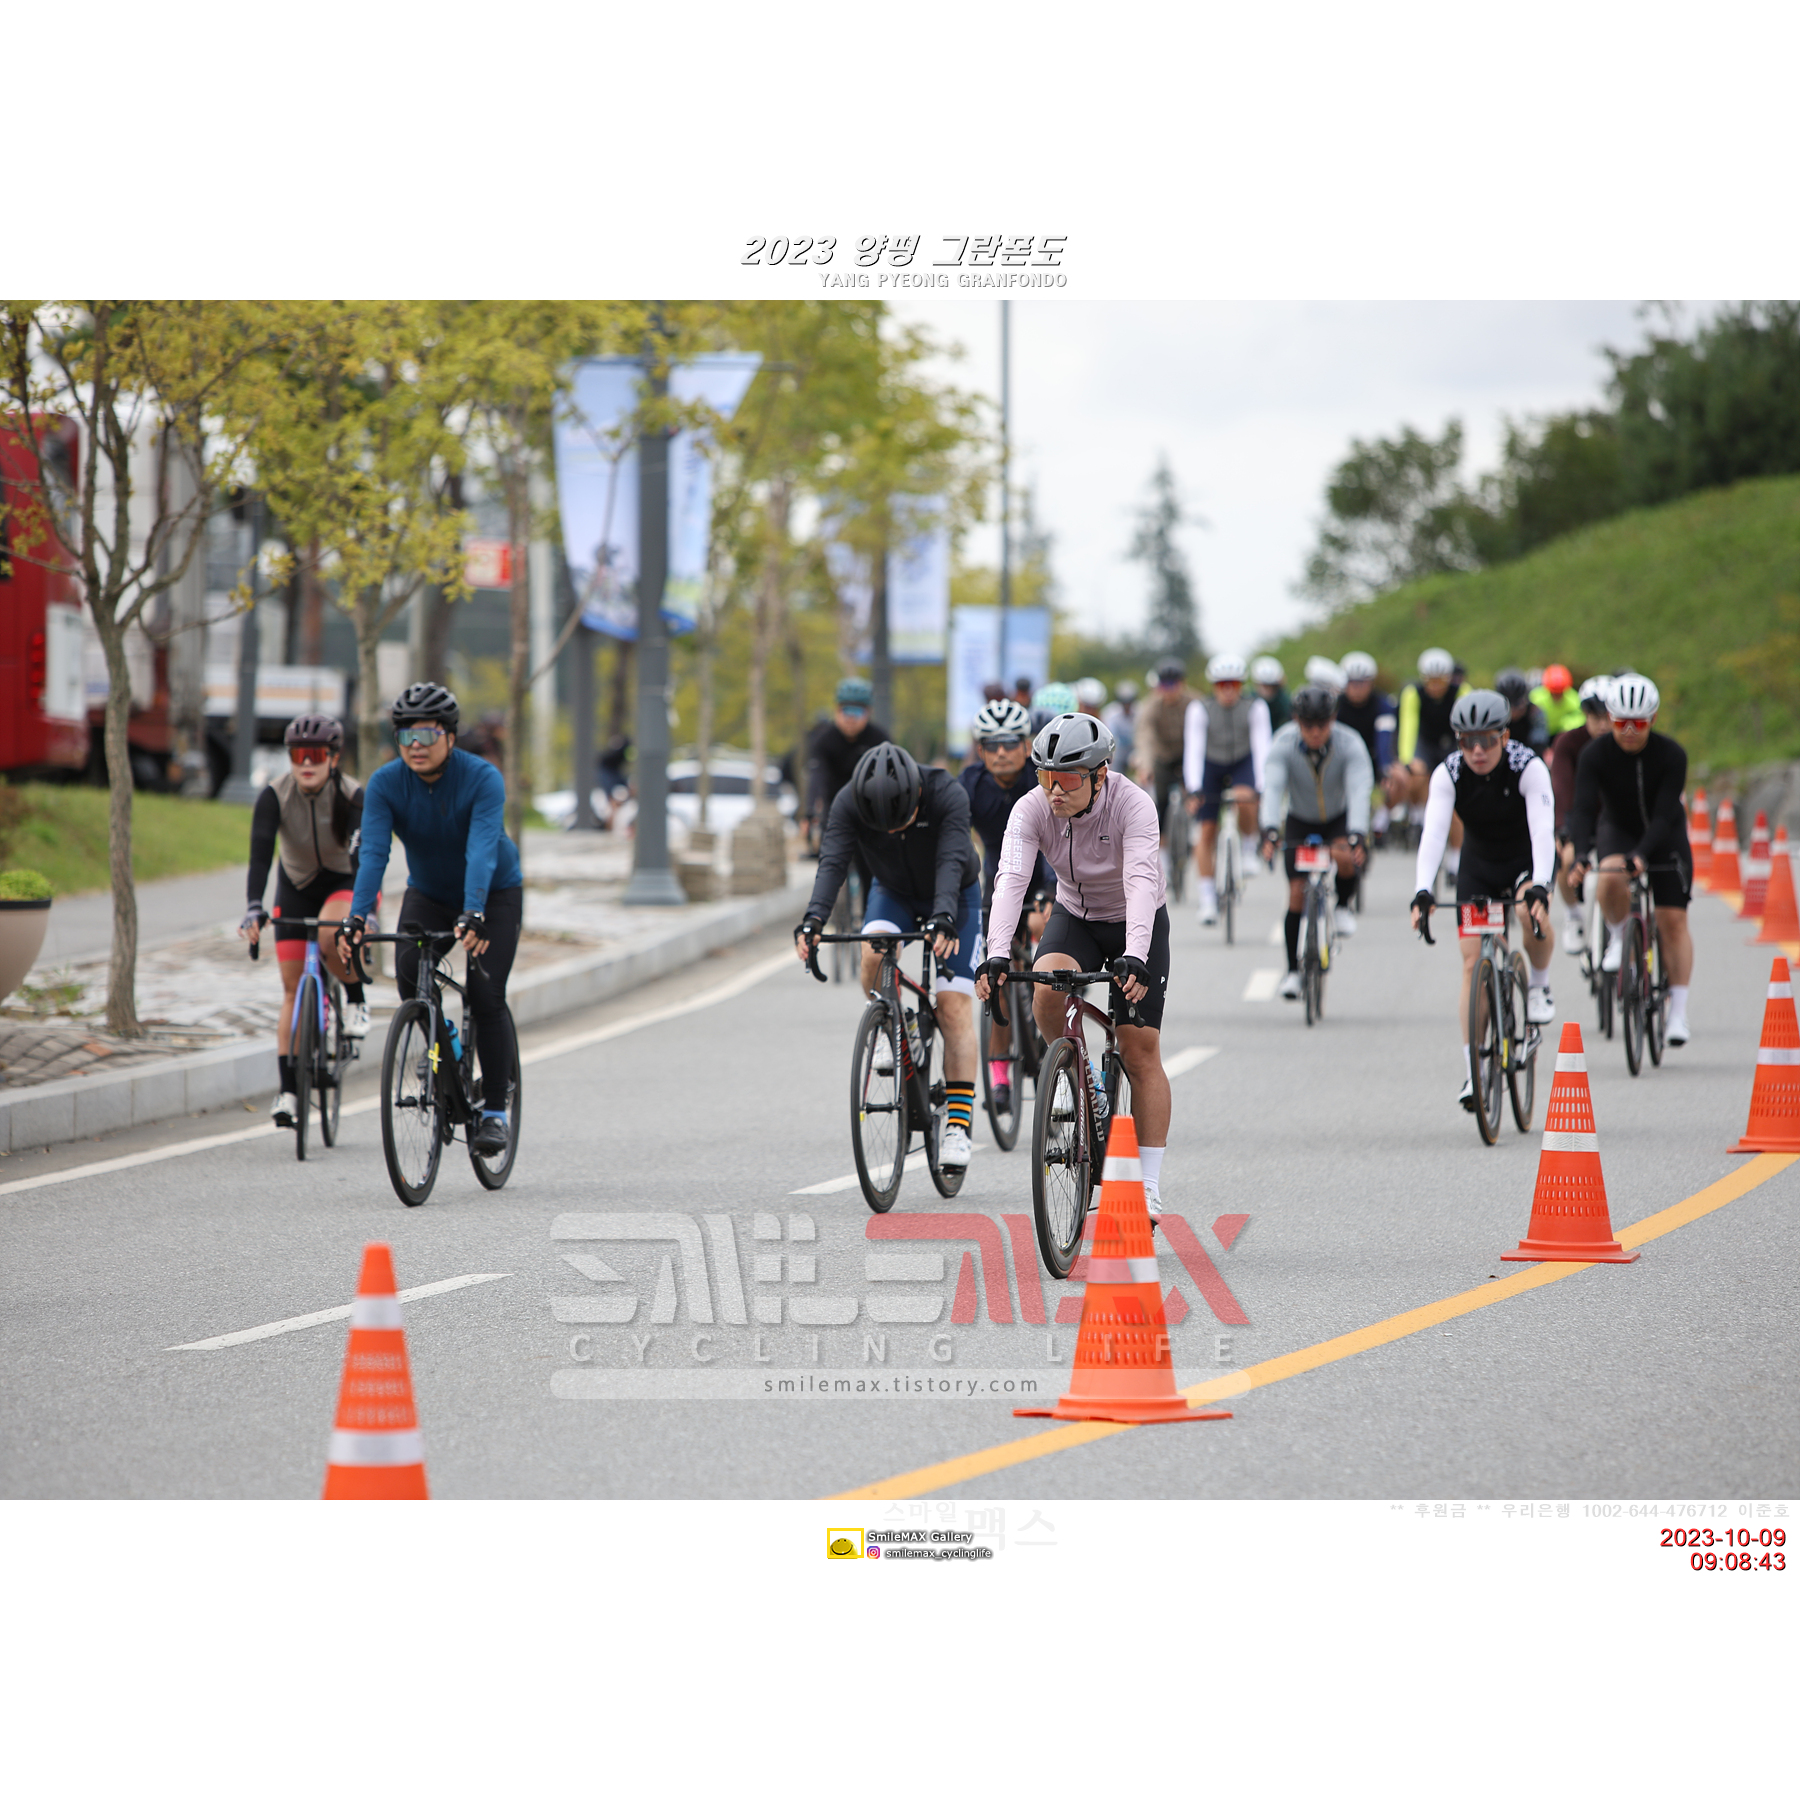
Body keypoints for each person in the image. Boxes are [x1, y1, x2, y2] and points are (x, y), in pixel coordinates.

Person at [976, 714, 1177, 1215]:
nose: (1054, 790)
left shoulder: (1133, 805)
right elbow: (1010, 880)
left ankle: (1147, 1184)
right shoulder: (1031, 808)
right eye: (1045, 776)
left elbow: (1141, 882)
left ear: (1100, 774)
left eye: (1066, 779)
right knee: (1046, 992)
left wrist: (1135, 955)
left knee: (1138, 1049)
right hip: (1076, 916)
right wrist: (995, 953)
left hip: (1137, 918)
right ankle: (1080, 1075)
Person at [342, 684, 523, 1156]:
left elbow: (482, 850)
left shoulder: (482, 778)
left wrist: (475, 910)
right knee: (408, 974)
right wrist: (357, 916)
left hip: (492, 895)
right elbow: (374, 853)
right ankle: (445, 1048)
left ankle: (495, 1110)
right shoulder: (385, 784)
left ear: (450, 736)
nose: (415, 745)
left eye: (426, 734)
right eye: (405, 735)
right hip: (430, 894)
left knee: (485, 993)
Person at [796, 743, 984, 1168]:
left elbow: (952, 858)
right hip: (893, 891)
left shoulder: (946, 792)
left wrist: (943, 916)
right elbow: (833, 861)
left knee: (953, 1007)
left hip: (955, 895)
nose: (895, 831)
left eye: (903, 820)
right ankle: (896, 1025)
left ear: (917, 795)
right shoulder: (847, 801)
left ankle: (958, 1125)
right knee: (872, 955)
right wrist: (813, 920)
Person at [1408, 690, 1557, 1111]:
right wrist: (1423, 891)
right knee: (1472, 963)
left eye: (1487, 741)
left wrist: (1541, 885)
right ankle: (1474, 1069)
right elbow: (1434, 835)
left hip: (1525, 862)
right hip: (1479, 867)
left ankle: (1540, 986)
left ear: (1504, 737)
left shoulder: (1527, 766)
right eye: (1466, 741)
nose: (1476, 751)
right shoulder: (1448, 772)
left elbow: (1543, 831)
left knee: (1529, 912)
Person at [240, 715, 368, 1129]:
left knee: (331, 935)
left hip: (344, 882)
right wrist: (254, 906)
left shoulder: (353, 796)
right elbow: (260, 856)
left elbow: (361, 857)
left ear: (334, 758)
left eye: (315, 755)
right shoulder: (274, 795)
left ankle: (355, 998)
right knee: (292, 989)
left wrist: (361, 912)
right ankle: (289, 1092)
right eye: (298, 755)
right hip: (295, 886)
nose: (307, 763)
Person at [1567, 673, 1695, 1046]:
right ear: (1610, 717)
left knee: (1673, 922)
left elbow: (1664, 815)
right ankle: (1620, 934)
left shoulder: (1672, 754)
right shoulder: (1594, 754)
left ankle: (1678, 1012)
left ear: (1652, 720)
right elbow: (1582, 809)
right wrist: (1580, 854)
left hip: (1664, 833)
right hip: (1618, 828)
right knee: (1609, 876)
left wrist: (1642, 854)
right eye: (1621, 722)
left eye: (1638, 724)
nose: (1628, 731)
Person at [960, 698, 1056, 1120]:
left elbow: (1059, 839)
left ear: (1026, 745)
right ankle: (1000, 1075)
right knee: (995, 976)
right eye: (991, 744)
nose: (1001, 752)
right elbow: (954, 839)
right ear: (980, 750)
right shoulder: (969, 783)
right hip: (999, 882)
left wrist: (1049, 893)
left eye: (1010, 743)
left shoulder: (1041, 781)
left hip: (1044, 874)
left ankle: (1053, 1038)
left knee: (1045, 948)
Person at [1258, 685, 1372, 998]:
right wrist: (1270, 829)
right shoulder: (1283, 742)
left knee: (1345, 857)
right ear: (1297, 721)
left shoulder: (1350, 743)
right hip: (1299, 819)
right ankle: (1293, 973)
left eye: (1322, 724)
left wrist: (1358, 832)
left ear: (1332, 719)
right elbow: (1272, 788)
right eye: (1308, 725)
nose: (1315, 732)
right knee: (1296, 894)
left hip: (1337, 818)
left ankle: (1343, 904)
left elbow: (1360, 789)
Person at [1183, 652, 1271, 924]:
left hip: (1242, 761)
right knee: (1206, 832)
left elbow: (1262, 747)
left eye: (1234, 684)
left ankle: (1248, 847)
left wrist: (1261, 787)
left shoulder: (1256, 707)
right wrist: (1194, 788)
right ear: (1214, 686)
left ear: (1242, 685)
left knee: (1245, 798)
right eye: (1222, 685)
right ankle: (1207, 898)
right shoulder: (1199, 709)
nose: (1228, 690)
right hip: (1211, 763)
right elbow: (1194, 749)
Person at [1392, 647, 1470, 876]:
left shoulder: (1462, 691)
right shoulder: (1412, 693)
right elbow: (1408, 728)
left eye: (1440, 681)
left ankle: (1455, 857)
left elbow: (1468, 728)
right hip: (1425, 743)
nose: (1435, 687)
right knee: (1416, 775)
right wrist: (1408, 760)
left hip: (1452, 743)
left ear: (1449, 678)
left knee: (1456, 801)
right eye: (1431, 681)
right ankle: (1418, 814)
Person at [1547, 676, 1612, 952]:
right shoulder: (1568, 742)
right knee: (1566, 858)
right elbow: (1561, 788)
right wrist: (1562, 827)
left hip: (1614, 819)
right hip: (1579, 816)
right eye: (1596, 717)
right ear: (1585, 714)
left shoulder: (1625, 741)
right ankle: (1573, 915)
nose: (1603, 725)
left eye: (1608, 717)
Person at [804, 677, 889, 852]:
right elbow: (816, 777)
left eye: (857, 711)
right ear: (836, 710)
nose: (850, 718)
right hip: (835, 811)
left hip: (871, 813)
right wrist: (809, 813)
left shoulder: (880, 740)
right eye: (846, 710)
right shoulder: (824, 741)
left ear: (869, 712)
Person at [1335, 652, 1397, 836]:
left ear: (1371, 683)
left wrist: (1385, 768)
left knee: (1398, 777)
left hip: (1374, 756)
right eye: (1353, 683)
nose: (1357, 688)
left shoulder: (1383, 704)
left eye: (1362, 683)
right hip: (1345, 758)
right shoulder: (1336, 706)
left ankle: (1381, 821)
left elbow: (1384, 739)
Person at [1141, 659, 1191, 847]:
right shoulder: (1151, 706)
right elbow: (1145, 737)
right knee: (1160, 801)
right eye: (1164, 685)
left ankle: (1193, 830)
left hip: (1187, 756)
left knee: (1195, 793)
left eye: (1173, 684)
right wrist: (1146, 766)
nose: (1169, 690)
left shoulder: (1194, 702)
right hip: (1162, 756)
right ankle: (1162, 845)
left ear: (1182, 684)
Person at [1494, 667, 1551, 754]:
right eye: (1509, 707)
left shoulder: (1534, 712)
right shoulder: (1494, 716)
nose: (1513, 712)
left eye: (1517, 706)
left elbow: (1539, 743)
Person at [1532, 664, 1585, 736]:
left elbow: (1581, 716)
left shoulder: (1573, 699)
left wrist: (1569, 724)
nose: (1557, 696)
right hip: (1542, 733)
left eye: (1560, 693)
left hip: (1563, 734)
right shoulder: (1536, 698)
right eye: (1554, 693)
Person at [1102, 679, 1138, 773]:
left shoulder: (1140, 711)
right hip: (1119, 748)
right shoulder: (1110, 713)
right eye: (1124, 702)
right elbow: (1110, 737)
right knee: (1114, 762)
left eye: (1129, 702)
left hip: (1135, 747)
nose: (1127, 705)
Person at [1251, 655, 1291, 731]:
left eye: (1271, 685)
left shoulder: (1283, 702)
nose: (1268, 690)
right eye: (1264, 685)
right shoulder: (1251, 701)